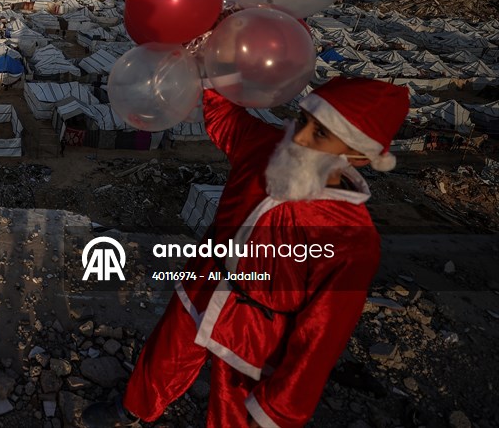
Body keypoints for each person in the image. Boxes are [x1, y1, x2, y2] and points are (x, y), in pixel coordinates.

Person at [84, 76, 410, 428]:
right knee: (168, 349)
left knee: (235, 404)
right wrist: (209, 71)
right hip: (208, 277)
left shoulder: (351, 238)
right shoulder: (267, 147)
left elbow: (320, 338)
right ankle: (135, 407)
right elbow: (228, 120)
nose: (298, 137)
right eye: (303, 121)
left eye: (320, 135)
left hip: (261, 325)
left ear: (359, 155)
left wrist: (276, 412)